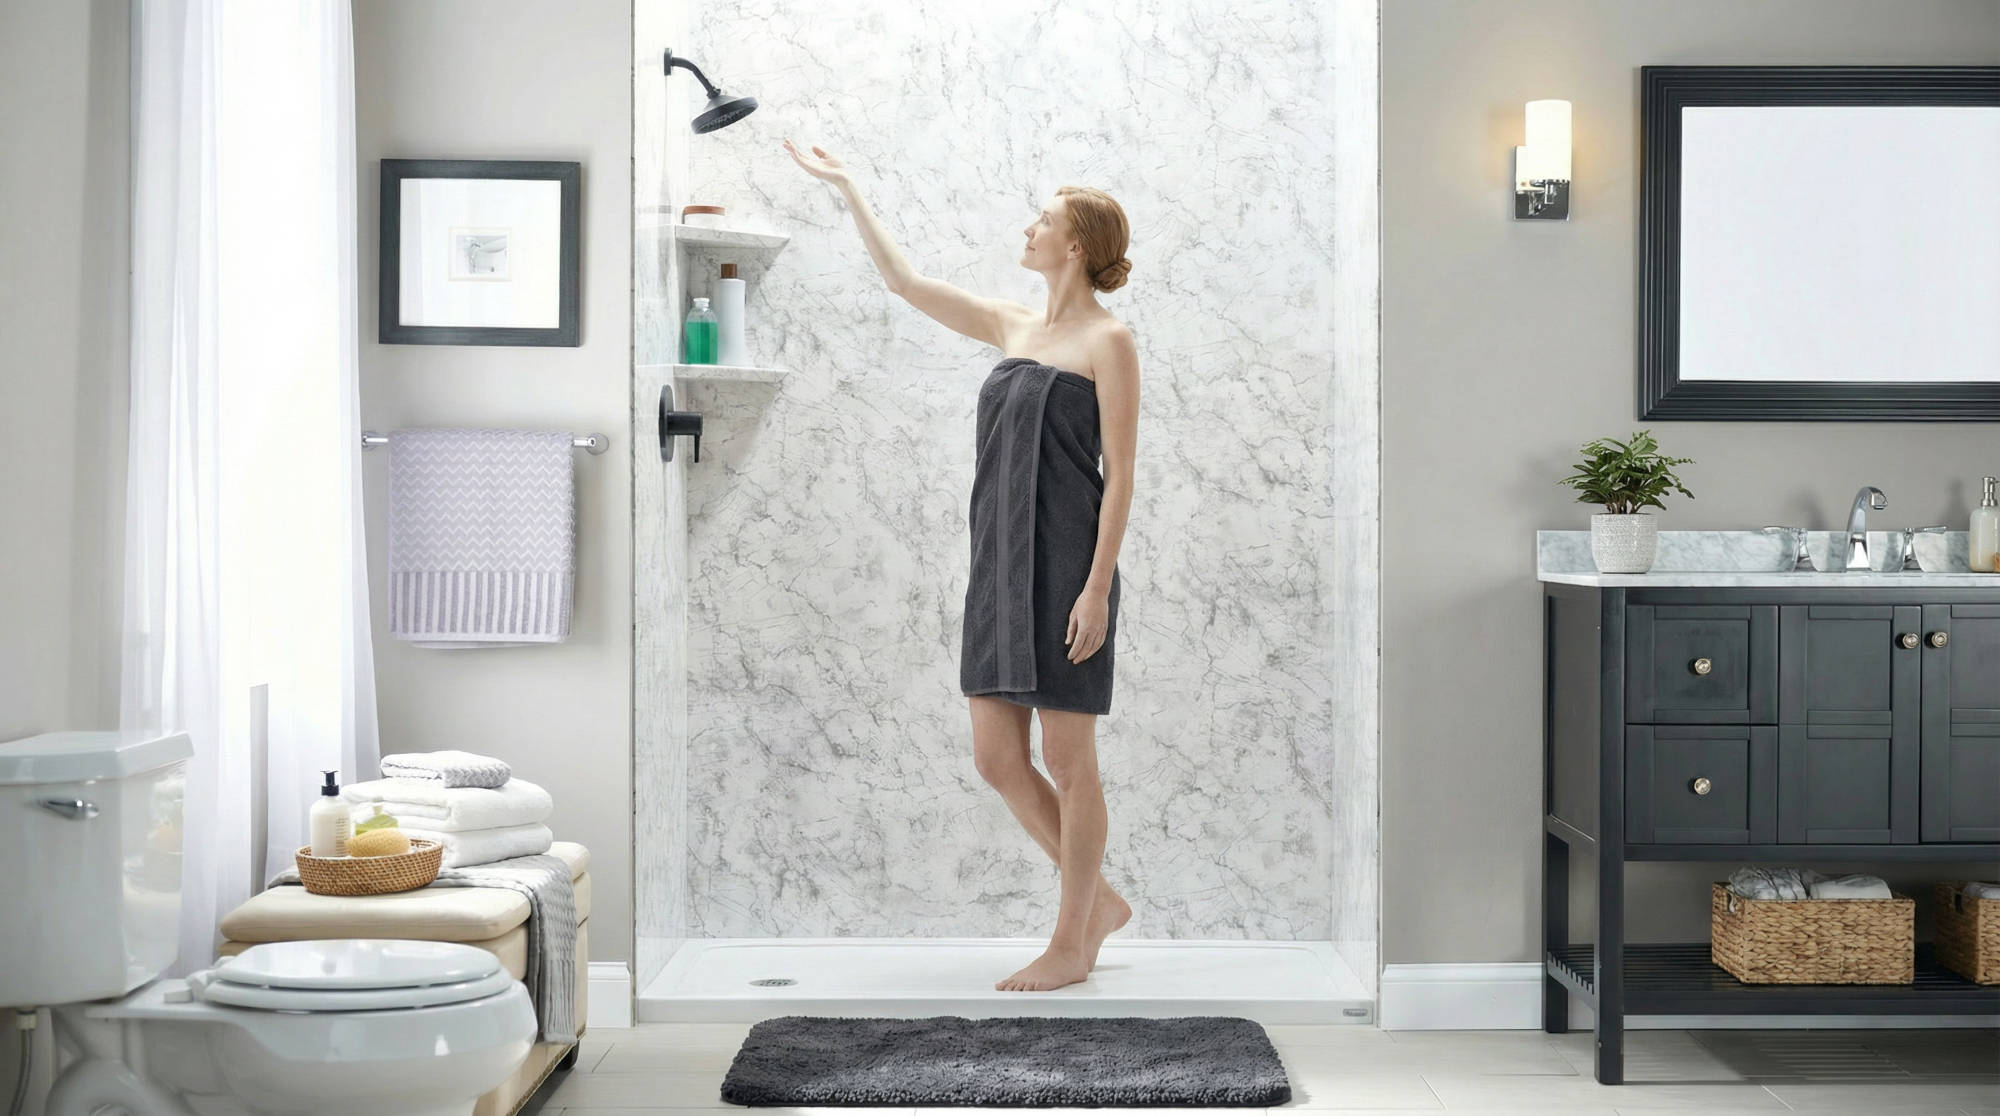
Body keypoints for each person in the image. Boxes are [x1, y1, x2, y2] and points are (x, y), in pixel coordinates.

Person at [785, 138, 1139, 992]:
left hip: (1064, 568)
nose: (1029, 228)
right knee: (995, 757)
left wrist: (1095, 588)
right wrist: (848, 185)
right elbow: (905, 285)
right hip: (996, 566)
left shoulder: (1109, 340)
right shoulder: (1014, 325)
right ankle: (1101, 902)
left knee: (1067, 756)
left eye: (1042, 221)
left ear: (1076, 244)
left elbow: (1121, 473)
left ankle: (1071, 940)